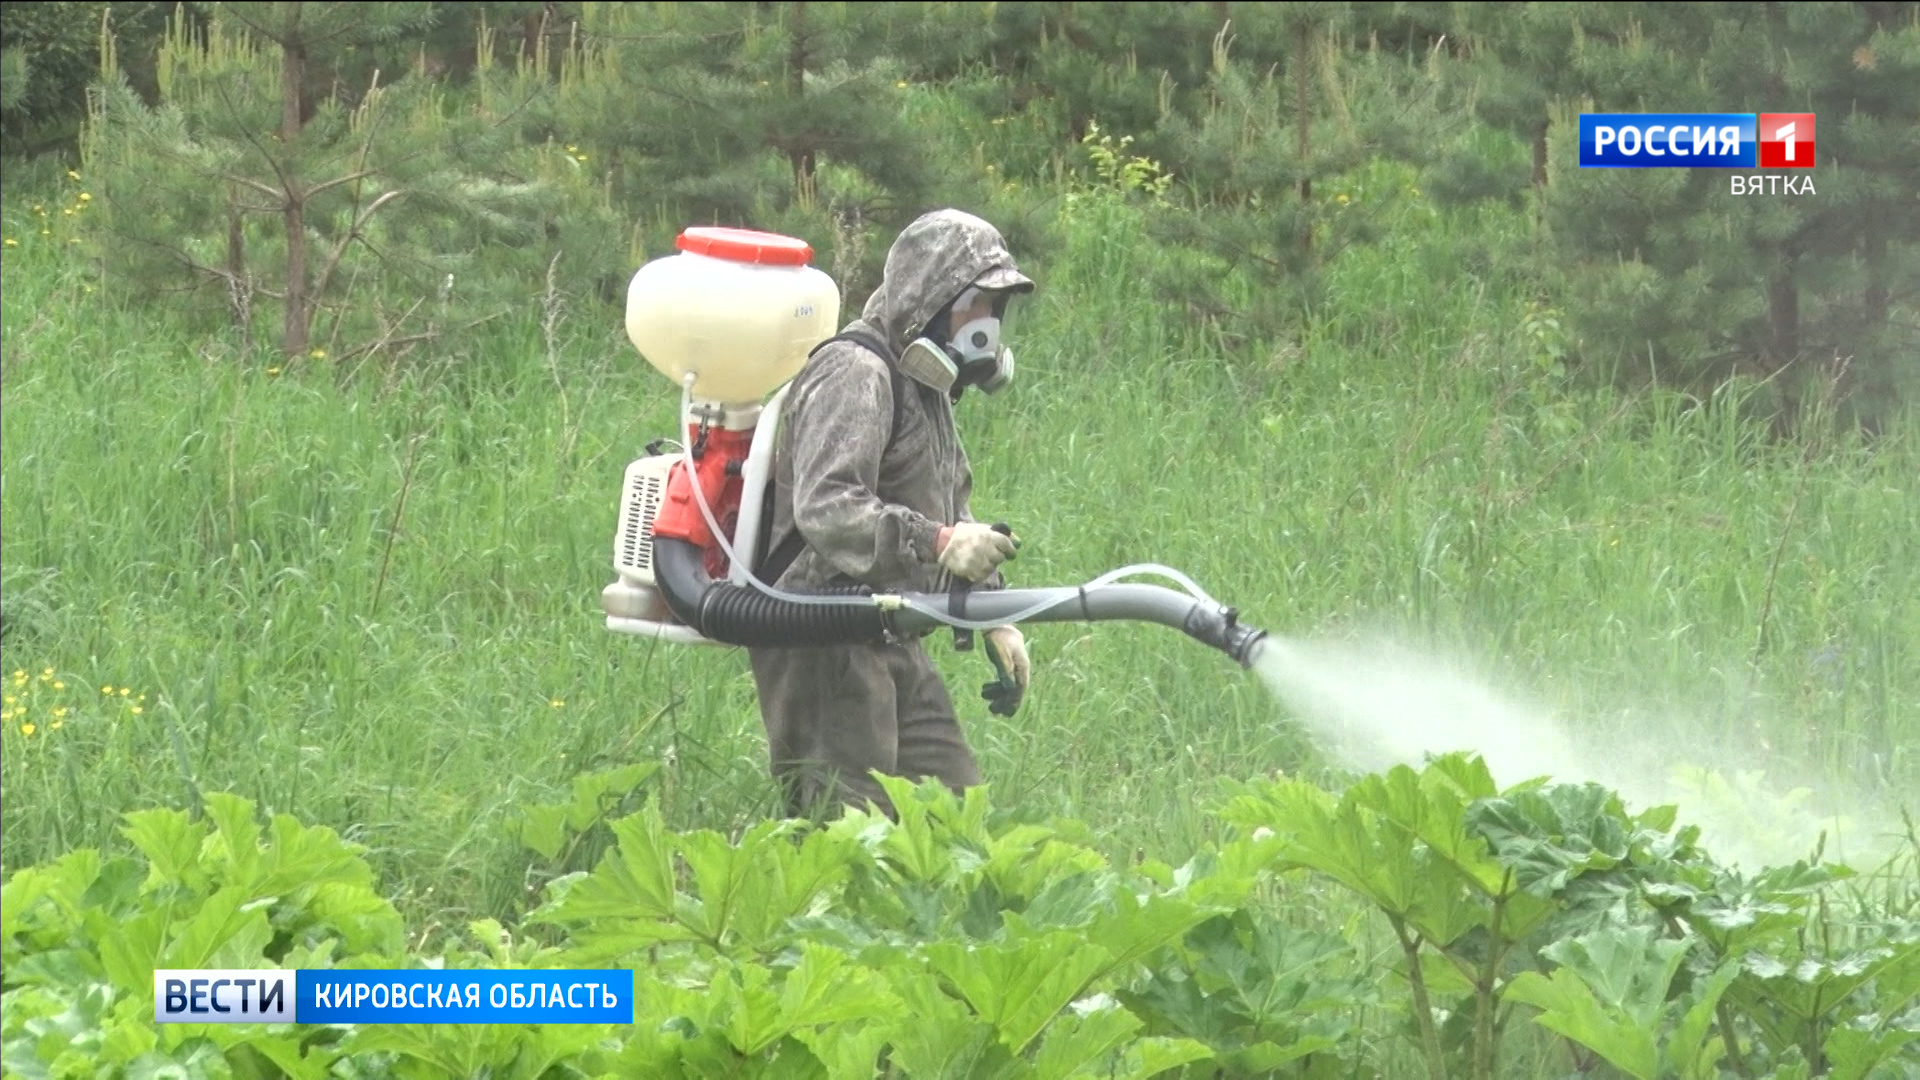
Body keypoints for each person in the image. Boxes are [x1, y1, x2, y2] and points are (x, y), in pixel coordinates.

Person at [748, 208, 1034, 819]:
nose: (986, 326)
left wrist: (996, 614)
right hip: (821, 638)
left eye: (994, 309)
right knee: (851, 840)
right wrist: (935, 543)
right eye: (975, 304)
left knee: (954, 823)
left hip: (890, 631)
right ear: (929, 298)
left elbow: (953, 508)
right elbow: (827, 507)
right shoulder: (856, 371)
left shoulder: (924, 385)